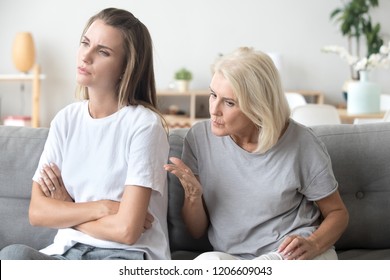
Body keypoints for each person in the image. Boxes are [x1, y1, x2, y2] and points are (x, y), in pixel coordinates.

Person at [0, 7, 170, 260]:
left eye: (103, 52)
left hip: (125, 256)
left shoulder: (145, 126)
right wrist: (104, 208)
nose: (86, 56)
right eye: (85, 43)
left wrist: (68, 210)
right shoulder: (66, 119)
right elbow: (37, 213)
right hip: (67, 251)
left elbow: (126, 231)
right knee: (13, 255)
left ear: (126, 67)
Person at [164, 47, 349, 260]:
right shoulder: (199, 138)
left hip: (291, 254)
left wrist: (314, 244)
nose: (214, 109)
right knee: (206, 262)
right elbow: (196, 231)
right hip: (235, 258)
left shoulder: (302, 143)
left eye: (229, 102)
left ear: (258, 107)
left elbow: (338, 214)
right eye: (213, 95)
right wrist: (193, 197)